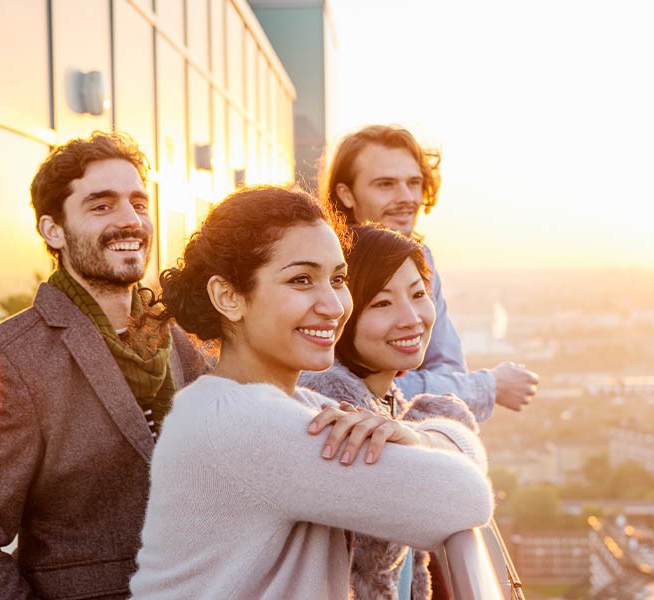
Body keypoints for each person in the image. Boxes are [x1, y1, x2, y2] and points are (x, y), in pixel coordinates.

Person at [129, 186, 493, 599]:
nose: (334, 305)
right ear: (228, 297)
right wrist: (429, 440)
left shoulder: (296, 406)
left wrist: (417, 436)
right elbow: (468, 497)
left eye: (337, 279)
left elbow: (469, 472)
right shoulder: (249, 425)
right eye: (301, 280)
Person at [0, 132, 208, 600]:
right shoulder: (9, 359)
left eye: (138, 202)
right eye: (101, 206)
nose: (129, 220)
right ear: (53, 230)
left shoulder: (179, 339)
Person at [300, 224, 477, 600]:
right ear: (339, 312)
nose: (411, 317)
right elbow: (456, 498)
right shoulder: (331, 407)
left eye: (418, 294)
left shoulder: (383, 396)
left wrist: (419, 439)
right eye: (381, 303)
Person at [322, 124, 539, 422]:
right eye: (385, 184)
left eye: (413, 182)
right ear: (346, 194)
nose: (406, 197)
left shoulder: (421, 259)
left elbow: (446, 369)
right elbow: (337, 385)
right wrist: (486, 386)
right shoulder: (324, 269)